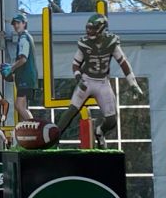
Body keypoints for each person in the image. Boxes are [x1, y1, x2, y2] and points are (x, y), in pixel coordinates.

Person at [50, 13, 133, 144]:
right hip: (87, 80)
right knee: (72, 110)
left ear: (101, 28)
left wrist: (132, 82)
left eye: (93, 28)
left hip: (102, 83)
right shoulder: (84, 43)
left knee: (111, 120)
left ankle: (100, 132)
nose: (89, 31)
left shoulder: (111, 42)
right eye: (88, 28)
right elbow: (76, 64)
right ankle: (53, 140)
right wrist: (78, 79)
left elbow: (123, 61)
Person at [2, 12, 38, 122]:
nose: (16, 25)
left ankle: (35, 128)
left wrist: (11, 69)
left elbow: (23, 59)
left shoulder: (23, 38)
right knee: (23, 108)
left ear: (24, 24)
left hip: (25, 79)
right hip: (27, 78)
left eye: (18, 23)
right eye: (14, 24)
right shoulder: (27, 37)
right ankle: (28, 131)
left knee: (19, 106)